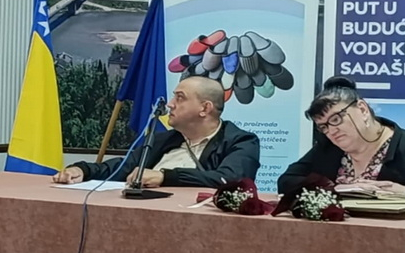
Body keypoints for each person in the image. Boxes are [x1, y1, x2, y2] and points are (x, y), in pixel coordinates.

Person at [278, 77, 405, 206]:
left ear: (362, 109)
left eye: (336, 119)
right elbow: (286, 181)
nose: (331, 131)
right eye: (323, 126)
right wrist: (334, 189)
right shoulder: (328, 149)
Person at [52, 76, 260, 188]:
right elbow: (122, 168)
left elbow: (229, 180)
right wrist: (83, 170)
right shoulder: (162, 140)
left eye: (180, 98)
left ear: (205, 108)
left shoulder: (241, 141)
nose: (170, 104)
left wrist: (165, 177)